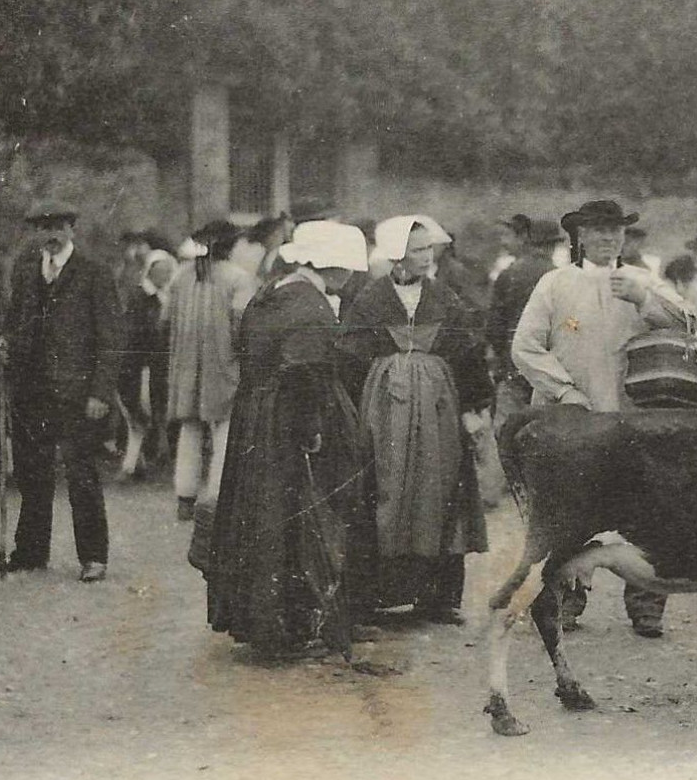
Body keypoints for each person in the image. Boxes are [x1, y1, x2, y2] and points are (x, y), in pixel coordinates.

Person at [510, 199, 693, 637]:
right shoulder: (554, 284)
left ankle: (647, 602)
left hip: (632, 419)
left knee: (647, 508)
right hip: (572, 420)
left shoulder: (642, 280)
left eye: (617, 230)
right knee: (572, 509)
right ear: (580, 237)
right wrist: (565, 391)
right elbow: (525, 347)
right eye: (599, 229)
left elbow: (688, 325)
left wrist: (645, 299)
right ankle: (566, 597)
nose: (609, 237)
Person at [205, 220, 370, 659]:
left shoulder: (273, 292)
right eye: (348, 269)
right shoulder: (311, 307)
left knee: (259, 513)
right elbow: (305, 373)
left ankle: (262, 619)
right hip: (286, 422)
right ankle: (285, 622)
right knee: (293, 518)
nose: (351, 277)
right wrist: (312, 430)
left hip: (256, 417)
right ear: (333, 268)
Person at [339, 215, 493, 625]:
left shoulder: (445, 297)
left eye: (429, 249)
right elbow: (350, 359)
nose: (427, 257)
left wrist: (474, 408)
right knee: (380, 491)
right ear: (396, 255)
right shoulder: (369, 300)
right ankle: (372, 597)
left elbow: (468, 354)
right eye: (418, 250)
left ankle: (438, 598)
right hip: (382, 414)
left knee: (440, 490)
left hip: (438, 414)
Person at [0, 205, 125, 581]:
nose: (50, 234)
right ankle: (31, 552)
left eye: (57, 227)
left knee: (81, 474)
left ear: (71, 229)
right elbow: (15, 322)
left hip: (77, 393)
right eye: (42, 227)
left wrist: (100, 391)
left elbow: (111, 339)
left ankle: (93, 557)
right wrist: (4, 344)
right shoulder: (26, 270)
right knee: (32, 473)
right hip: (31, 390)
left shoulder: (94, 273)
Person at [165, 220, 260, 521]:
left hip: (186, 363)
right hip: (224, 361)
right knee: (224, 431)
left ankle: (185, 497)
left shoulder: (181, 277)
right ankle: (218, 497)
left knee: (190, 429)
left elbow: (165, 319)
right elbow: (242, 324)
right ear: (231, 246)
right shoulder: (239, 279)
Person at [486, 217, 561, 431]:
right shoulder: (560, 277)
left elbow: (494, 329)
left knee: (506, 431)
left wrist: (504, 354)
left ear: (528, 241)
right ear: (554, 246)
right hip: (548, 370)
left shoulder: (509, 275)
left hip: (513, 367)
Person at [116, 246, 176, 482]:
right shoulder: (140, 297)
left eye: (167, 272)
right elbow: (136, 334)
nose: (165, 276)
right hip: (140, 365)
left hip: (159, 364)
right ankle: (133, 464)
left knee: (150, 414)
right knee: (139, 413)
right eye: (160, 271)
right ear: (150, 272)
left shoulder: (166, 297)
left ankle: (136, 463)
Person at [488, 214, 530, 285]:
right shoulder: (503, 262)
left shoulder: (525, 266)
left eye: (507, 235)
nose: (503, 242)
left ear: (522, 237)